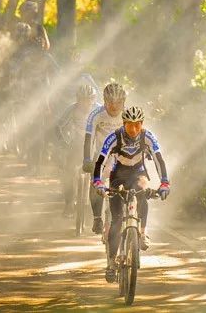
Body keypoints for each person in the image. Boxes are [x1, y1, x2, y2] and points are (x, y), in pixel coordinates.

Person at [91, 106, 170, 283]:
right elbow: (101, 160)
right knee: (117, 221)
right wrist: (98, 181)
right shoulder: (114, 137)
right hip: (118, 175)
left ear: (141, 124)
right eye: (129, 125)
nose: (133, 129)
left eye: (137, 125)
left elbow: (159, 160)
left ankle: (142, 232)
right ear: (124, 123)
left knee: (143, 189)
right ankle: (111, 263)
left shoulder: (147, 136)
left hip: (138, 173)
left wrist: (164, 182)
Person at [82, 83, 127, 234]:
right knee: (96, 183)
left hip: (122, 155)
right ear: (104, 101)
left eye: (118, 103)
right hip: (101, 154)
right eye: (110, 103)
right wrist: (87, 160)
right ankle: (97, 218)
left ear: (123, 102)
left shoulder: (127, 115)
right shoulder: (95, 115)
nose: (114, 107)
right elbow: (89, 138)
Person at [55, 84, 99, 217]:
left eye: (89, 99)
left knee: (98, 175)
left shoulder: (99, 109)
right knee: (68, 172)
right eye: (82, 99)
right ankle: (69, 204)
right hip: (77, 144)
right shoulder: (72, 109)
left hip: (95, 146)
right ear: (77, 99)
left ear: (93, 99)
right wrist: (64, 142)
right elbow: (58, 127)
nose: (85, 103)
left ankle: (97, 209)